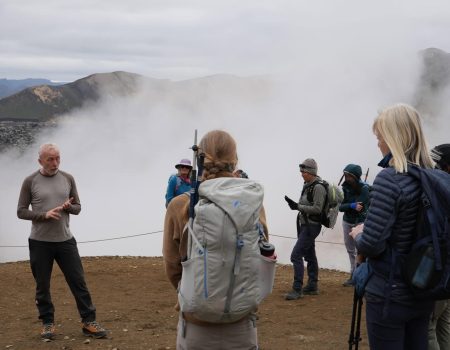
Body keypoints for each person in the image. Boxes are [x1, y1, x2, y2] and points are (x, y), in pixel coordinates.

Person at [163, 130, 269, 350]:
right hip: (242, 325)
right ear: (235, 160)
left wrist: (196, 293)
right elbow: (260, 256)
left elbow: (173, 268)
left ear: (199, 160)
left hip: (195, 326)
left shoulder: (179, 205)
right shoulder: (253, 205)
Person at [349, 104, 435, 350]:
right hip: (423, 288)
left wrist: (359, 233)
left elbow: (373, 244)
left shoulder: (390, 178)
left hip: (390, 292)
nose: (378, 144)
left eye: (380, 137)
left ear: (394, 137)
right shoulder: (432, 176)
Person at [17, 143, 107, 340]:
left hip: (65, 240)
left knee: (78, 282)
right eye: (50, 159)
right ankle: (47, 324)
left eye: (58, 158)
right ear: (40, 160)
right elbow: (21, 211)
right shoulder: (30, 181)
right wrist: (43, 215)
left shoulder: (68, 178)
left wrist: (68, 207)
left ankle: (88, 322)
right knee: (43, 285)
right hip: (40, 242)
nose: (55, 162)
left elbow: (78, 207)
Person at [284, 158, 327, 300]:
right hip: (306, 225)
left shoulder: (318, 187)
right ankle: (312, 285)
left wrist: (298, 207)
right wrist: (296, 206)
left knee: (296, 255)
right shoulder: (308, 184)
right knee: (309, 255)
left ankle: (297, 289)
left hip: (312, 226)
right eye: (301, 171)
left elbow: (317, 208)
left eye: (303, 171)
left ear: (311, 172)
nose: (301, 173)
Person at [428, 144, 450, 350]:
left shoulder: (440, 192)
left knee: (429, 329)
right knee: (445, 326)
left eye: (437, 164)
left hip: (440, 271)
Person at [338, 164, 370, 287]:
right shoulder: (345, 187)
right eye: (345, 175)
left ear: (355, 176)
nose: (346, 178)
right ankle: (353, 274)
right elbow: (341, 207)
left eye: (349, 176)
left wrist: (350, 206)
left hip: (360, 222)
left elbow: (360, 206)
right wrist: (351, 205)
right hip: (347, 221)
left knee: (361, 251)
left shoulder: (365, 189)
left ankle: (361, 276)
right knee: (350, 249)